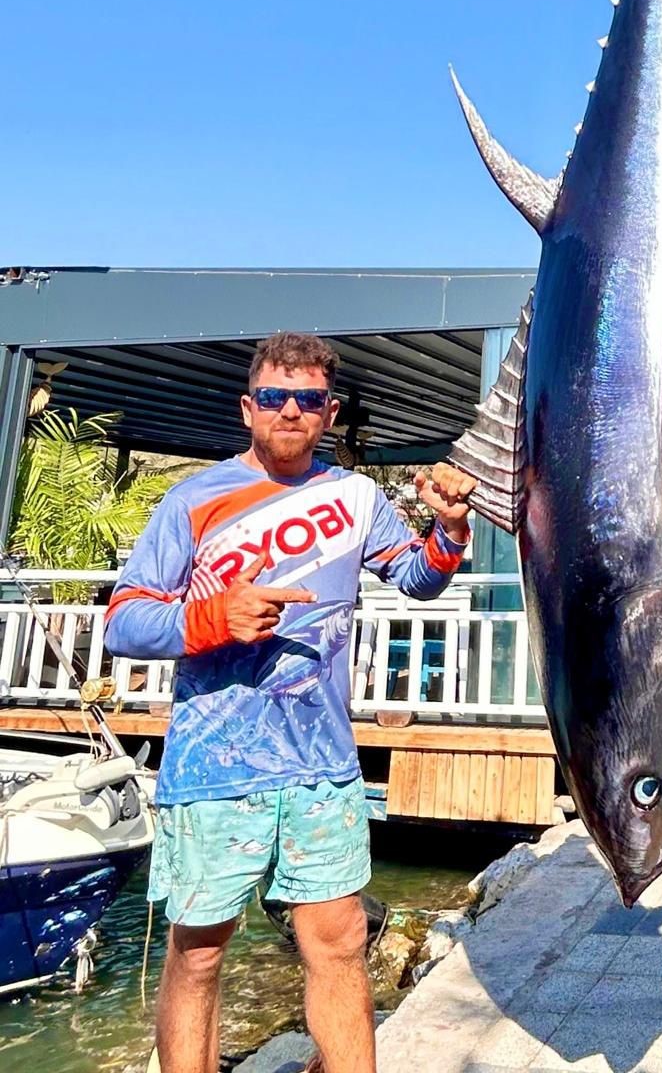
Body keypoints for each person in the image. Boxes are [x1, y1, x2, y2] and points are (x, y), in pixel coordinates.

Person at [104, 332, 477, 1073]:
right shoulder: (193, 500)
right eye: (274, 397)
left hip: (322, 762)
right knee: (202, 949)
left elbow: (413, 578)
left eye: (308, 400)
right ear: (248, 408)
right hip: (215, 765)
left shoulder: (354, 496)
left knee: (338, 940)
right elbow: (123, 618)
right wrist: (213, 619)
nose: (290, 412)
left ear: (328, 412)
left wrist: (450, 530)